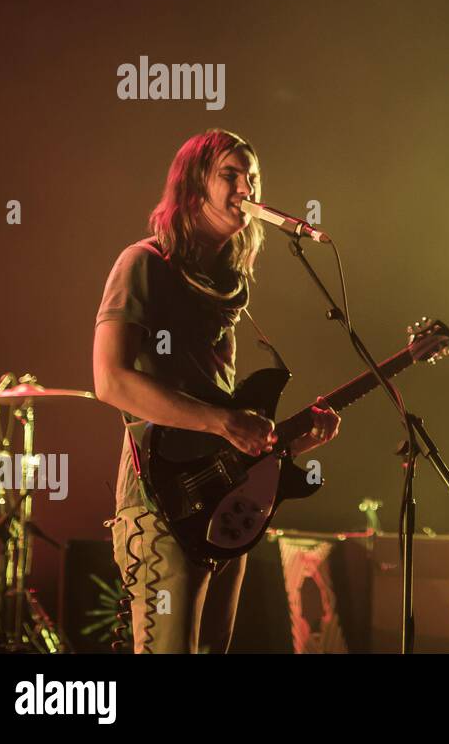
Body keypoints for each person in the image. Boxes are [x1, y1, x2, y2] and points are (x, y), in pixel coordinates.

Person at [92, 129, 340, 653]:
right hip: (161, 495)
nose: (246, 187)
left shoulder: (231, 286)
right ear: (191, 186)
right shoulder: (143, 264)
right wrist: (222, 422)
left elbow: (223, 408)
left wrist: (287, 445)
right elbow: (110, 380)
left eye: (252, 177)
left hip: (222, 494)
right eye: (230, 174)